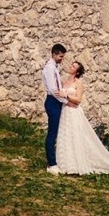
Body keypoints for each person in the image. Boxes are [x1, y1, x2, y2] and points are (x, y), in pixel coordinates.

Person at [42, 43, 68, 173]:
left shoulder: (55, 68)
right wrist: (65, 100)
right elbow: (53, 89)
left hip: (56, 101)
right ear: (54, 54)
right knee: (52, 132)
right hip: (53, 101)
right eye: (60, 56)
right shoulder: (49, 69)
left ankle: (57, 159)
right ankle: (51, 163)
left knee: (57, 131)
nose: (62, 59)